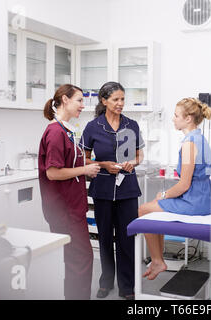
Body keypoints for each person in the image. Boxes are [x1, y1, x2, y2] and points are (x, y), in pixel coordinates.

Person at [81, 82, 144, 300]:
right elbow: (85, 159)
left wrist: (132, 164)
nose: (120, 104)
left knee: (127, 238)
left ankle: (127, 287)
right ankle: (106, 282)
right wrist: (104, 164)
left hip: (127, 189)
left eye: (122, 99)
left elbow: (139, 155)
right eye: (116, 99)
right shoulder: (93, 127)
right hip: (103, 190)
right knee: (105, 238)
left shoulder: (132, 125)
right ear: (104, 100)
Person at [138, 97, 211, 280]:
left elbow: (184, 184)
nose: (173, 118)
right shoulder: (200, 138)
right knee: (156, 207)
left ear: (188, 119)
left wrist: (163, 194)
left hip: (194, 202)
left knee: (143, 209)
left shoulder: (189, 143)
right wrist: (164, 197)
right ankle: (158, 259)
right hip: (205, 197)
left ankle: (157, 260)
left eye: (176, 115)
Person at [38, 84, 100, 300]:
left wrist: (96, 163)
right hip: (63, 209)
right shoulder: (55, 132)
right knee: (82, 258)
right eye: (80, 100)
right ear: (65, 100)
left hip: (72, 207)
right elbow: (53, 173)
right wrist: (85, 169)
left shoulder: (66, 129)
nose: (83, 105)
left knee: (74, 259)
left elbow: (72, 161)